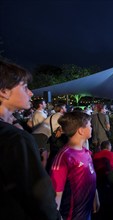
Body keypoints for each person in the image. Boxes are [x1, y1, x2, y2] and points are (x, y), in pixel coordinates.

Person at [0, 59, 60, 219]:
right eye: (25, 87)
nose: (31, 93)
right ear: (4, 91)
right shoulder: (15, 138)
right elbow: (41, 200)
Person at [50, 111, 99, 220]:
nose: (91, 128)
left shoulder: (87, 152)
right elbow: (56, 194)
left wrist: (95, 195)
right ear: (81, 130)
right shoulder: (64, 157)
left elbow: (91, 176)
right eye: (89, 125)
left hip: (86, 213)